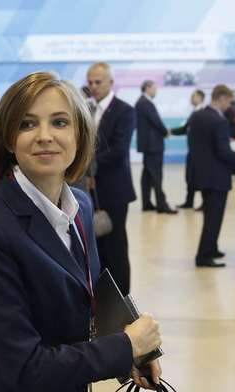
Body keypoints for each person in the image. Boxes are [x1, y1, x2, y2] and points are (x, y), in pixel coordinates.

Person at [0, 71, 163, 392]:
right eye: (27, 124)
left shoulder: (80, 207)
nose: (45, 136)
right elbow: (24, 364)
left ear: (79, 134)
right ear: (7, 138)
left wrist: (132, 355)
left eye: (59, 122)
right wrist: (123, 346)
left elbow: (86, 298)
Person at [87, 62, 137, 294]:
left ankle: (122, 299)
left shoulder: (124, 111)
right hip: (88, 190)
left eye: (98, 82)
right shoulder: (87, 109)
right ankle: (102, 297)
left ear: (111, 82)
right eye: (90, 82)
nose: (93, 86)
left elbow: (119, 150)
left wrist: (88, 166)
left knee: (115, 245)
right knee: (96, 247)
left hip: (114, 190)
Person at [188, 85, 235, 267]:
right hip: (217, 176)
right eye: (229, 101)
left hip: (202, 173)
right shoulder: (219, 121)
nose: (229, 106)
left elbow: (200, 143)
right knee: (214, 218)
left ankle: (212, 248)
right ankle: (204, 256)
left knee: (210, 214)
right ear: (221, 98)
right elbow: (223, 152)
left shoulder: (197, 116)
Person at [135, 80, 177, 214]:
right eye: (154, 88)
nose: (156, 91)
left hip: (149, 145)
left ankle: (147, 203)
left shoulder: (142, 102)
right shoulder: (145, 103)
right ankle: (161, 205)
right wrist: (165, 132)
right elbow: (156, 121)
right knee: (156, 175)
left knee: (147, 175)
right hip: (153, 146)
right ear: (147, 88)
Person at [170, 89, 205, 209]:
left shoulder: (202, 112)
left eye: (193, 96)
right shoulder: (194, 112)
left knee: (200, 176)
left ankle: (205, 202)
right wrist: (170, 131)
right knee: (190, 176)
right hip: (193, 150)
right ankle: (189, 202)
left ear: (200, 98)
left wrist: (169, 131)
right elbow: (185, 129)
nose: (191, 98)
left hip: (200, 151)